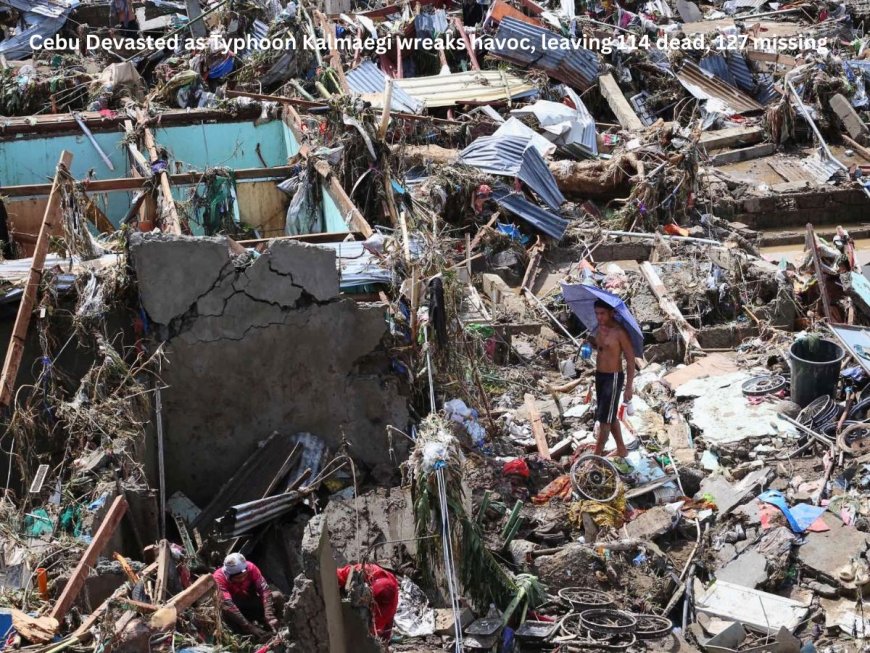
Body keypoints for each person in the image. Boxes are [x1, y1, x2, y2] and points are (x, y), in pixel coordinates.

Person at [586, 300, 636, 467]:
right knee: (609, 414)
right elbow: (600, 348)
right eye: (597, 313)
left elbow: (630, 361)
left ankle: (596, 458)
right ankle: (622, 449)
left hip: (613, 378)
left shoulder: (619, 332)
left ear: (611, 313)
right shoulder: (598, 329)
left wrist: (629, 387)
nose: (599, 317)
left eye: (602, 313)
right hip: (600, 376)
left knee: (604, 420)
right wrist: (589, 343)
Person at [213, 553, 278, 638]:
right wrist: (249, 627)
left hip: (250, 601)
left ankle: (274, 625)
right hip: (236, 610)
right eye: (238, 578)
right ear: (228, 575)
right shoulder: (218, 578)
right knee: (225, 611)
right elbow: (229, 605)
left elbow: (264, 590)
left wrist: (269, 615)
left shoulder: (251, 567)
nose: (242, 579)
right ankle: (244, 635)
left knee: (278, 596)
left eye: (244, 576)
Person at [336, 563, 399, 645]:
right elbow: (340, 574)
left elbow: (378, 626)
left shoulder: (389, 607)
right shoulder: (365, 571)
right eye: (373, 601)